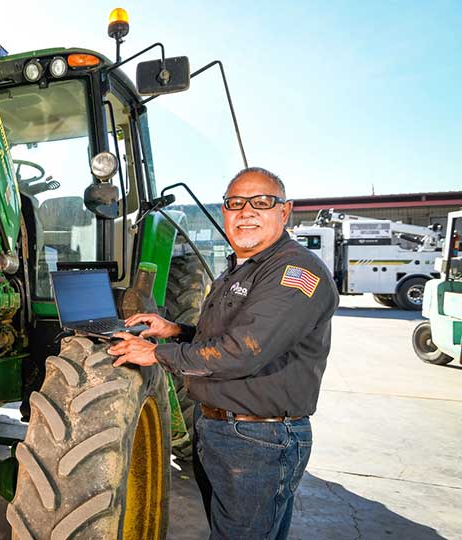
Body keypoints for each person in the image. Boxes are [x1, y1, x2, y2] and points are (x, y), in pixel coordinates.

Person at [108, 167, 339, 540]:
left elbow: (245, 351)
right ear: (225, 213)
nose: (246, 211)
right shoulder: (242, 269)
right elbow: (226, 337)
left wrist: (157, 354)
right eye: (236, 203)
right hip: (223, 429)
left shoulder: (295, 271)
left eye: (262, 202)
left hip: (258, 440)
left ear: (285, 211)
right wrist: (175, 330)